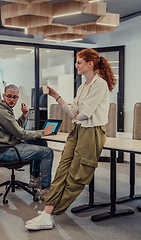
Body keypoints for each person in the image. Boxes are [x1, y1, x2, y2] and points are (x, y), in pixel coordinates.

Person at [25, 48, 117, 230]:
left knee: (77, 176)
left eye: (79, 62)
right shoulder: (82, 87)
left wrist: (77, 115)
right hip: (78, 130)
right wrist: (55, 96)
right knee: (62, 171)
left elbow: (85, 113)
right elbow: (73, 112)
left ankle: (49, 212)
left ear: (90, 64)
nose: (76, 66)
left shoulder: (100, 84)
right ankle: (47, 213)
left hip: (92, 132)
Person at [0, 84, 54, 201]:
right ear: (4, 96)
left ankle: (34, 178)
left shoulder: (6, 110)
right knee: (47, 152)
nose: (12, 99)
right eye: (9, 96)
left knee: (42, 144)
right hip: (7, 151)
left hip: (9, 147)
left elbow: (15, 129)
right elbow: (21, 134)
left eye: (14, 97)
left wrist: (24, 115)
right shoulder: (2, 112)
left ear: (17, 98)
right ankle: (45, 190)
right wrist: (43, 132)